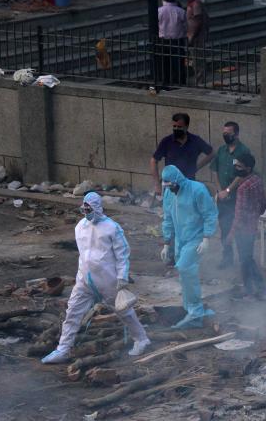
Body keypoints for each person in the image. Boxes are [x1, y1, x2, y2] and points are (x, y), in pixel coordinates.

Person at [41, 193, 150, 363]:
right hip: (85, 280)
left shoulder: (112, 228)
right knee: (72, 313)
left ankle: (141, 339)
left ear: (97, 207)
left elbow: (122, 254)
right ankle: (63, 349)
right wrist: (80, 275)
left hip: (108, 280)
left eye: (89, 209)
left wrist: (122, 276)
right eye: (84, 209)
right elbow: (83, 255)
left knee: (124, 311)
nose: (86, 212)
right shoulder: (80, 227)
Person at [160, 165, 218, 329]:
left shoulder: (197, 190)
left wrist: (206, 238)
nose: (169, 189)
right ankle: (191, 309)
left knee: (186, 268)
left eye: (171, 185)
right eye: (166, 186)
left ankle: (196, 311)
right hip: (180, 240)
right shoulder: (168, 194)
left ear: (177, 180)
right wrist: (166, 243)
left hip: (196, 237)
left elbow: (210, 214)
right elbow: (168, 218)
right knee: (184, 274)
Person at [226, 152, 266, 298]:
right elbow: (263, 203)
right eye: (235, 165)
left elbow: (239, 214)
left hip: (243, 230)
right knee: (248, 258)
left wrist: (231, 234)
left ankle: (251, 289)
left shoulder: (243, 188)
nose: (236, 168)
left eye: (239, 166)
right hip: (253, 225)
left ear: (248, 168)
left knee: (245, 260)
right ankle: (258, 288)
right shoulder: (257, 180)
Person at [210, 121, 251, 269]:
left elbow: (242, 175)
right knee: (224, 229)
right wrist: (220, 190)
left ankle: (243, 261)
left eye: (229, 133)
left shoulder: (243, 151)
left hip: (237, 199)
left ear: (237, 134)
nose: (226, 136)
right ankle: (227, 258)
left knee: (239, 230)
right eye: (224, 133)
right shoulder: (221, 151)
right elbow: (214, 170)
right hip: (223, 199)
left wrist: (228, 190)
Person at [151, 112, 215, 194]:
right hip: (170, 185)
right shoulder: (166, 141)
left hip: (188, 183)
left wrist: (197, 167)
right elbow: (153, 160)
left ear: (186, 127)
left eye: (179, 127)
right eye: (174, 126)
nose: (176, 129)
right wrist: (157, 184)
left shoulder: (195, 140)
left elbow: (212, 153)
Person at [157, 0, 187, 86]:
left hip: (163, 40)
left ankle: (165, 81)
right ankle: (179, 82)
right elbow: (185, 25)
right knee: (178, 63)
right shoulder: (181, 11)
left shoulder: (159, 11)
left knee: (164, 63)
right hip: (177, 40)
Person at [181, 0, 210, 85]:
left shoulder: (196, 3)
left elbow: (198, 22)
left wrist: (192, 37)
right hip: (192, 35)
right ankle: (199, 81)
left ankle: (200, 82)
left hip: (196, 37)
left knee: (198, 61)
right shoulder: (191, 3)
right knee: (195, 61)